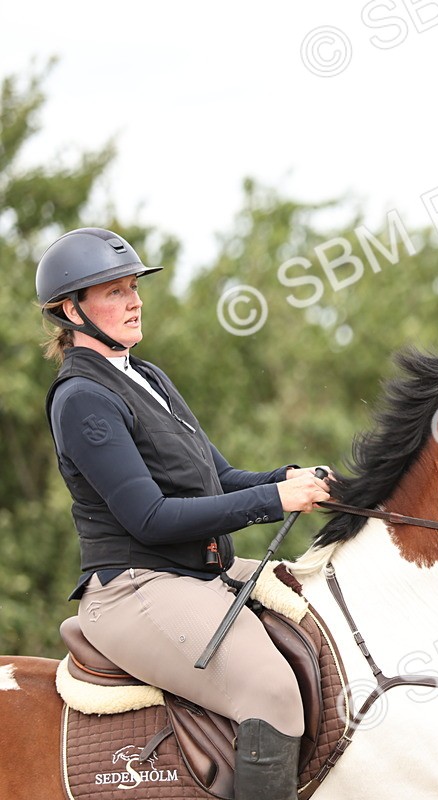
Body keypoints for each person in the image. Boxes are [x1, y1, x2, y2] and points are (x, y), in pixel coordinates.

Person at [37, 227, 330, 800]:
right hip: (136, 587)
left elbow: (216, 478)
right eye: (115, 291)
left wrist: (287, 479)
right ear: (72, 310)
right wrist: (274, 502)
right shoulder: (83, 399)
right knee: (271, 690)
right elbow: (151, 518)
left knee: (320, 604)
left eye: (133, 287)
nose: (134, 300)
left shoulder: (146, 377)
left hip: (199, 572)